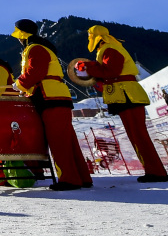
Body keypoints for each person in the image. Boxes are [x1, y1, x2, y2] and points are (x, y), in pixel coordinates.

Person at [74, 26, 167, 183]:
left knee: (138, 134)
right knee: (136, 135)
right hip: (123, 94)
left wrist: (88, 67)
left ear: (95, 37)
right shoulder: (110, 47)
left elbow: (112, 70)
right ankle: (153, 170)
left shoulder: (110, 48)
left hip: (126, 94)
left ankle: (156, 171)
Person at [11, 19, 92, 190]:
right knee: (68, 139)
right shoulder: (40, 47)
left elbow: (36, 71)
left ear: (22, 34)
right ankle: (82, 177)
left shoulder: (35, 48)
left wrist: (19, 84)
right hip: (56, 95)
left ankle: (69, 179)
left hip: (49, 96)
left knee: (58, 140)